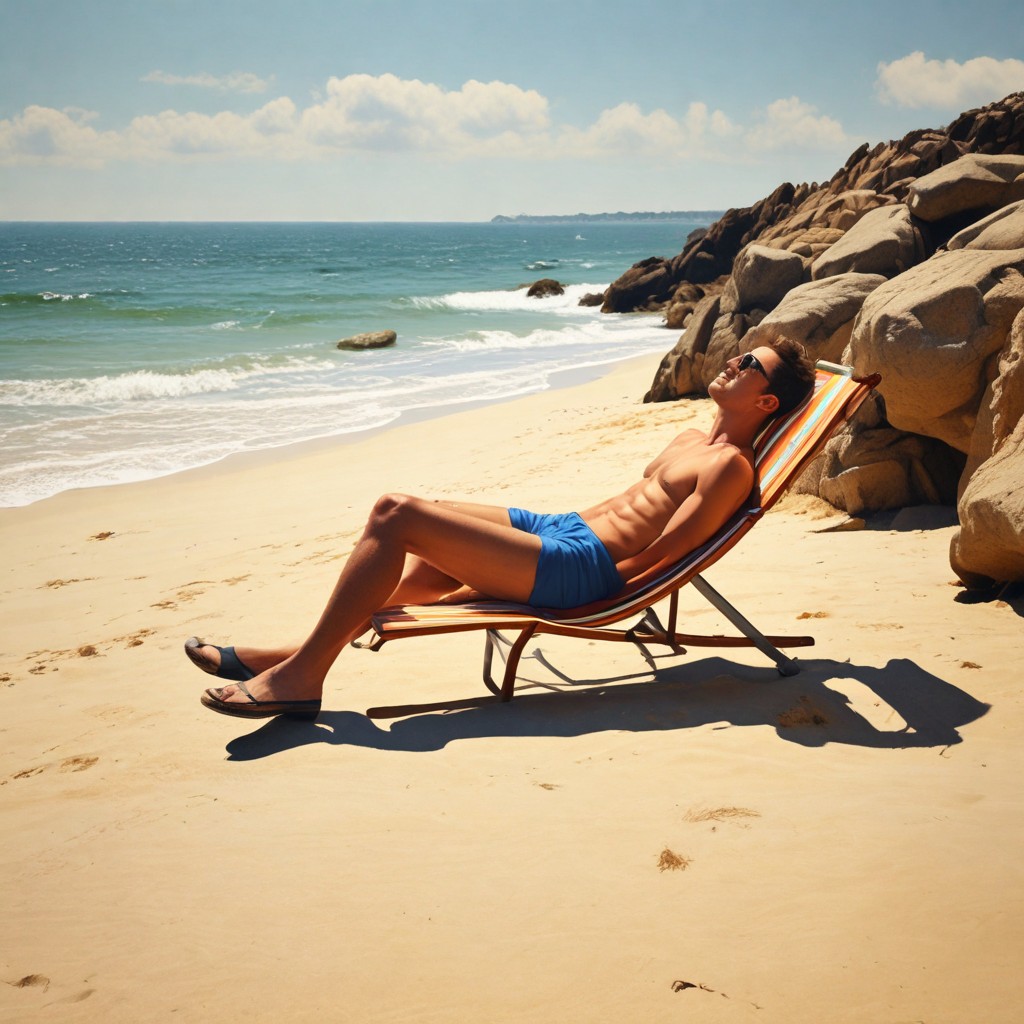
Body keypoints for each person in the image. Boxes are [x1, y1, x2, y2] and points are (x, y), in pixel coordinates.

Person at [189, 332, 815, 720]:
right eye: (739, 354)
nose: (733, 361)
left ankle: (302, 677)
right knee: (435, 534)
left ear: (765, 404)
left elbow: (676, 548)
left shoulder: (729, 465)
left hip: (584, 570)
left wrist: (605, 599)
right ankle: (294, 656)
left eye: (748, 366)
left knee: (395, 513)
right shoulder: (689, 436)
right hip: (563, 530)